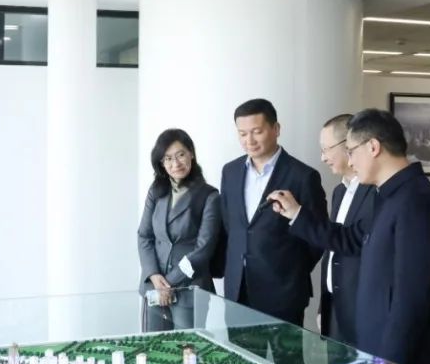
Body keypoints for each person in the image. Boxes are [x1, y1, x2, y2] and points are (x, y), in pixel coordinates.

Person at [267, 108, 430, 364]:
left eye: (351, 151)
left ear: (373, 147)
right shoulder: (388, 196)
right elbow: (353, 239)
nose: (351, 161)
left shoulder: (417, 200)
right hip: (372, 346)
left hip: (395, 359)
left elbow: (413, 295)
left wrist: (390, 362)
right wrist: (297, 214)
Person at [218, 98, 326, 326]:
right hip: (238, 290)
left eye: (257, 132)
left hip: (283, 292)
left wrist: (289, 270)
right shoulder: (230, 171)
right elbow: (230, 225)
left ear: (276, 129)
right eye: (242, 134)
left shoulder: (303, 176)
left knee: (286, 351)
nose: (249, 140)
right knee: (238, 350)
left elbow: (317, 237)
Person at [136, 128, 222, 331]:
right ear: (161, 163)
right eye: (168, 158)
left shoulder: (209, 196)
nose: (175, 164)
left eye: (180, 155)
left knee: (187, 347)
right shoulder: (156, 191)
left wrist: (169, 283)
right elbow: (144, 236)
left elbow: (203, 250)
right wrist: (154, 275)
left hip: (189, 289)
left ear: (191, 153)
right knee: (153, 346)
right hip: (154, 286)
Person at [315, 113, 376, 347]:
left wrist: (298, 215)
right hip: (334, 308)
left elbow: (353, 243)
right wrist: (323, 306)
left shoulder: (375, 192)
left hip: (362, 314)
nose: (323, 157)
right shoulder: (339, 192)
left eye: (326, 149)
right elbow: (332, 251)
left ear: (348, 144)